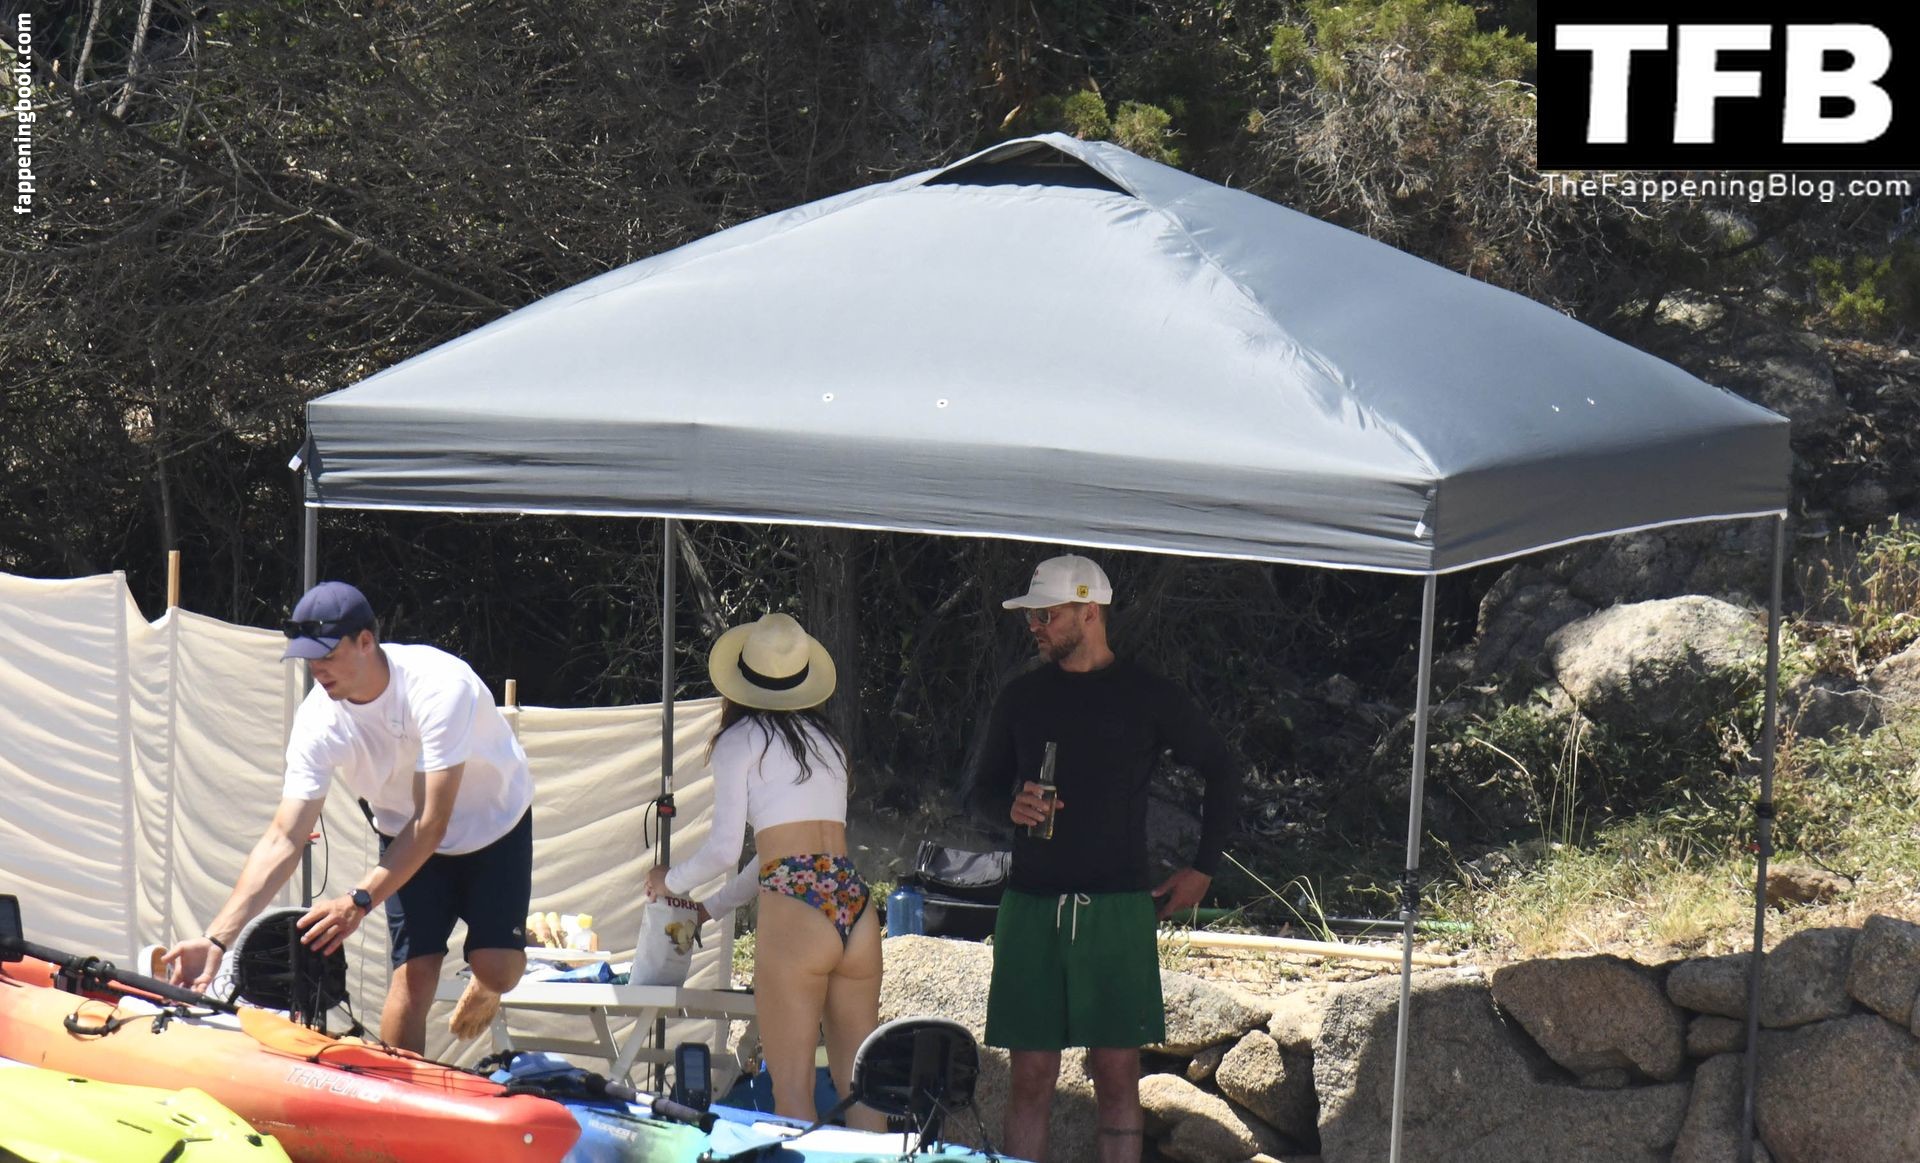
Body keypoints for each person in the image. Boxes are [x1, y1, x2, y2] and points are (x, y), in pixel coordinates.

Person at [162, 581, 534, 1053]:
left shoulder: (440, 687)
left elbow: (432, 822)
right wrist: (216, 940)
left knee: (497, 969)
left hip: (493, 825)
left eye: (327, 654)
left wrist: (358, 901)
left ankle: (487, 981)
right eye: (307, 657)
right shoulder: (318, 719)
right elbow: (284, 837)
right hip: (404, 832)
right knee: (413, 976)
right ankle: (398, 1094)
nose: (317, 668)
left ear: (365, 641)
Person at [965, 555, 1240, 1163]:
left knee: (1117, 1076)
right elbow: (980, 793)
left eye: (1046, 615)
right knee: (1031, 1077)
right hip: (1032, 905)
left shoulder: (1147, 695)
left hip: (1117, 908)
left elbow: (1222, 769)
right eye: (1031, 617)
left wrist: (1202, 868)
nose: (1034, 627)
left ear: (1089, 611)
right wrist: (1012, 807)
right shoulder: (1022, 696)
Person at [644, 612, 883, 1130]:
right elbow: (776, 860)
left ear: (741, 679)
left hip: (797, 912)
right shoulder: (827, 742)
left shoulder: (739, 741)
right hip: (852, 900)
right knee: (862, 1092)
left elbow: (725, 851)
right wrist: (710, 909)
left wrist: (669, 882)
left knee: (792, 1092)